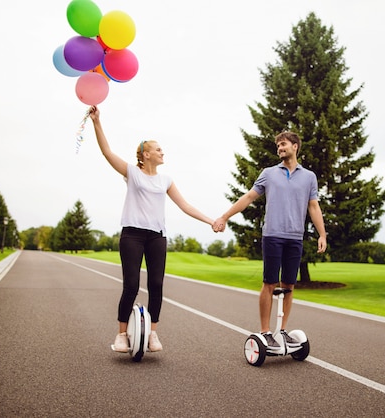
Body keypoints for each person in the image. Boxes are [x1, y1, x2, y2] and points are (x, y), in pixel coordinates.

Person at [89, 105, 214, 353]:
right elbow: (106, 152)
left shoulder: (165, 179)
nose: (162, 152)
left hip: (157, 237)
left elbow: (185, 205)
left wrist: (211, 221)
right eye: (157, 149)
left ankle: (153, 333)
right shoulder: (132, 173)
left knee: (156, 284)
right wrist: (97, 122)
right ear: (145, 154)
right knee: (132, 285)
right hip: (132, 235)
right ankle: (122, 334)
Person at [212, 131, 327, 349]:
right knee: (269, 283)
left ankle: (281, 330)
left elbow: (313, 206)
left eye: (283, 144)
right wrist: (224, 216)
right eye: (277, 146)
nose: (279, 148)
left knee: (290, 285)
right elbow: (248, 197)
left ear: (295, 146)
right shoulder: (269, 173)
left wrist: (322, 234)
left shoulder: (309, 177)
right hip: (272, 235)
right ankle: (265, 331)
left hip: (295, 237)